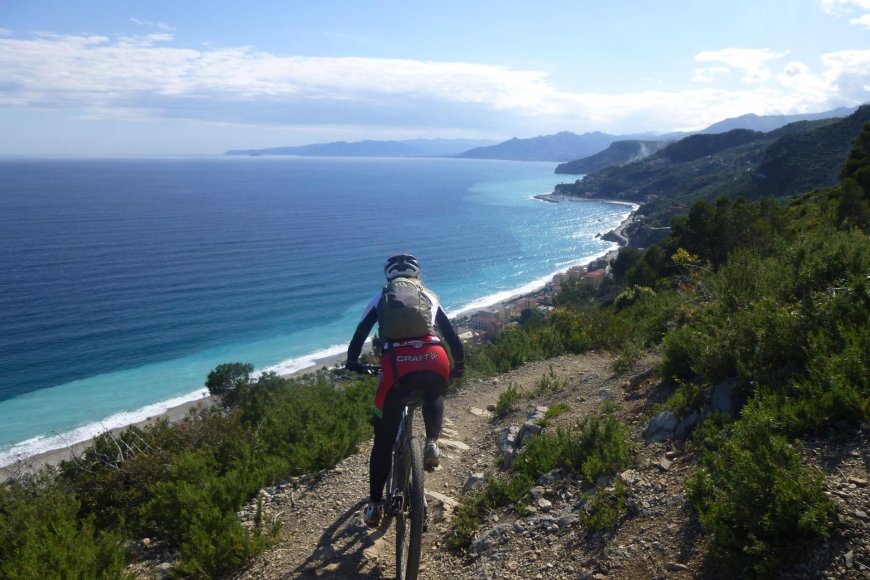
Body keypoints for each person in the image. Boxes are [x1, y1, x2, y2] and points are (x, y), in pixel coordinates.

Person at [346, 253, 464, 527]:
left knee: (383, 442)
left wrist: (353, 363)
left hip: (397, 370)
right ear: (417, 275)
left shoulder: (380, 298)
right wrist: (457, 366)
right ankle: (432, 442)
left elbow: (358, 336)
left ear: (389, 276)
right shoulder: (430, 296)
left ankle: (375, 506)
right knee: (435, 392)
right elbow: (452, 336)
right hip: (434, 359)